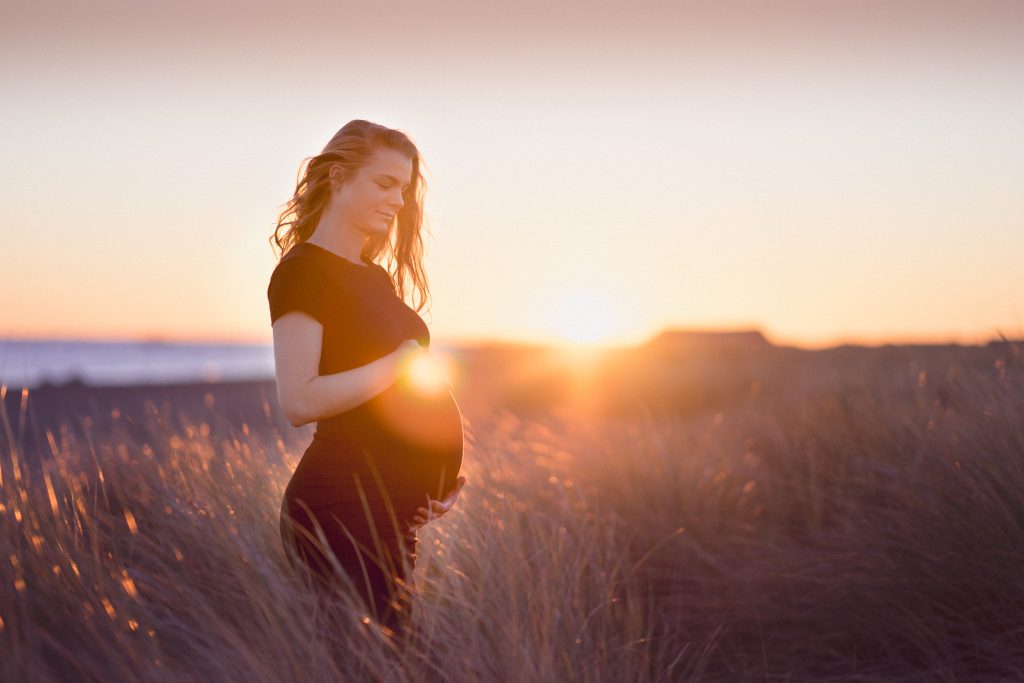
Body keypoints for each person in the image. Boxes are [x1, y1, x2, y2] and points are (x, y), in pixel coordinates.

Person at [267, 119, 466, 639]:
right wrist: (396, 365)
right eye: (384, 184)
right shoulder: (303, 272)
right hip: (341, 503)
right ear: (337, 177)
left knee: (388, 655)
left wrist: (430, 483)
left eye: (403, 188)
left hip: (390, 508)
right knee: (376, 661)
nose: (398, 201)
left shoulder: (373, 277)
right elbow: (299, 399)